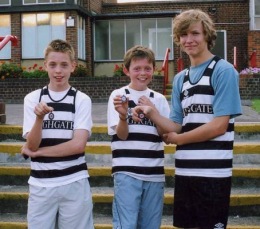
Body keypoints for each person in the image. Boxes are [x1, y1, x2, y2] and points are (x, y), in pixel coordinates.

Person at [131, 9, 242, 229]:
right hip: (185, 170)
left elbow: (219, 125)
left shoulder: (223, 71)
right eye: (183, 35)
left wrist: (178, 140)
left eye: (195, 33)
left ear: (207, 35)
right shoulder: (181, 78)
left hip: (213, 173)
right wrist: (151, 113)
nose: (189, 40)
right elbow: (176, 126)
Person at [21, 39, 94, 229]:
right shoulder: (32, 99)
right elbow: (31, 145)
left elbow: (78, 145)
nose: (58, 71)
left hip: (74, 181)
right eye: (52, 65)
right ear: (45, 66)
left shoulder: (81, 99)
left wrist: (38, 154)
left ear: (73, 67)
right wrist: (39, 119)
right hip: (41, 184)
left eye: (64, 65)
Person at [107, 45, 170, 229]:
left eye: (147, 68)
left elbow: (165, 136)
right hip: (126, 172)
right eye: (137, 68)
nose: (142, 73)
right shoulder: (119, 96)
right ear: (127, 70)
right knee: (126, 225)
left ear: (153, 70)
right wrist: (123, 115)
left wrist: (154, 112)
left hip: (154, 173)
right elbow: (121, 135)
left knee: (150, 225)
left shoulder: (158, 99)